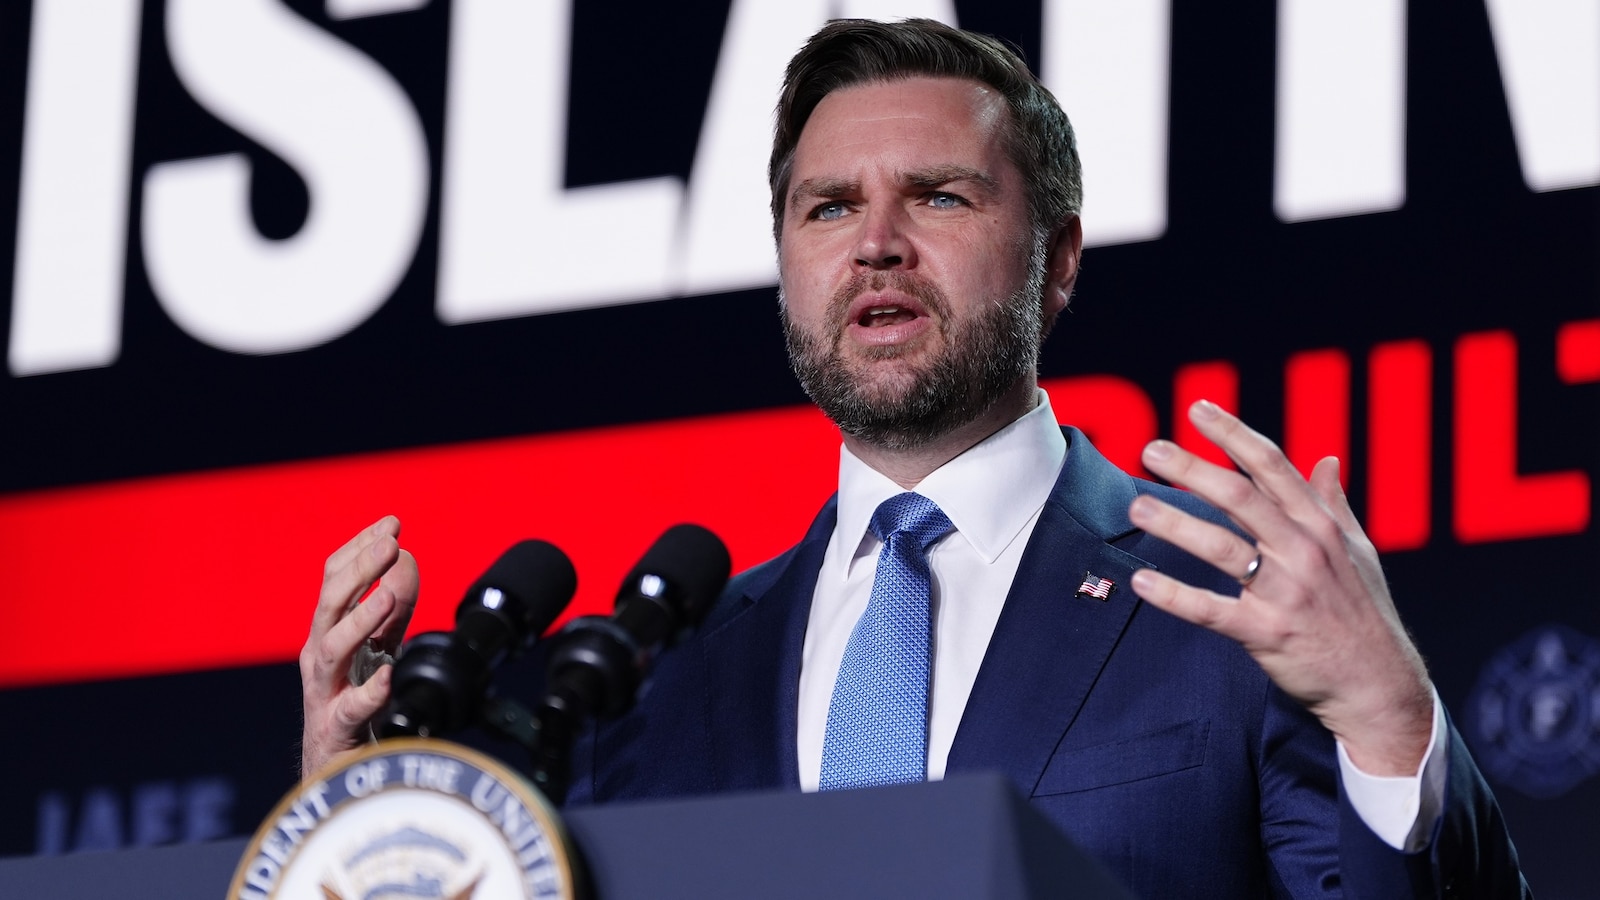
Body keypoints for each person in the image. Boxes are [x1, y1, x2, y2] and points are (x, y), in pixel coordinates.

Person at [300, 18, 1527, 897]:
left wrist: (1386, 721)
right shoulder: (653, 683)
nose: (876, 244)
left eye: (939, 196)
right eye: (829, 207)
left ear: (1056, 260)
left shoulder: (1225, 606)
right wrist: (353, 822)